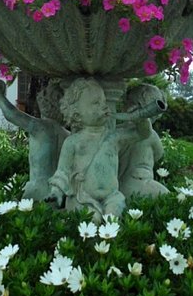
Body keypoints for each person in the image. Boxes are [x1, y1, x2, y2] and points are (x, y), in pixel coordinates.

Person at [48, 77, 152, 222]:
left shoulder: (114, 137)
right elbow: (62, 172)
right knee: (93, 219)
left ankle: (109, 235)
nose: (103, 107)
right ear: (76, 113)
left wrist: (141, 119)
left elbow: (143, 134)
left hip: (112, 196)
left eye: (104, 102)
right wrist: (56, 192)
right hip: (81, 198)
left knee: (113, 218)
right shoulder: (73, 142)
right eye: (96, 103)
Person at [0, 78, 69, 201]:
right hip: (59, 194)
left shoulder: (40, 128)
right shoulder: (68, 136)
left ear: (44, 104)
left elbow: (13, 115)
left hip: (37, 191)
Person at [117, 84, 169, 200]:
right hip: (141, 181)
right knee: (168, 197)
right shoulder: (151, 135)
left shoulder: (118, 131)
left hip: (119, 184)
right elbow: (159, 154)